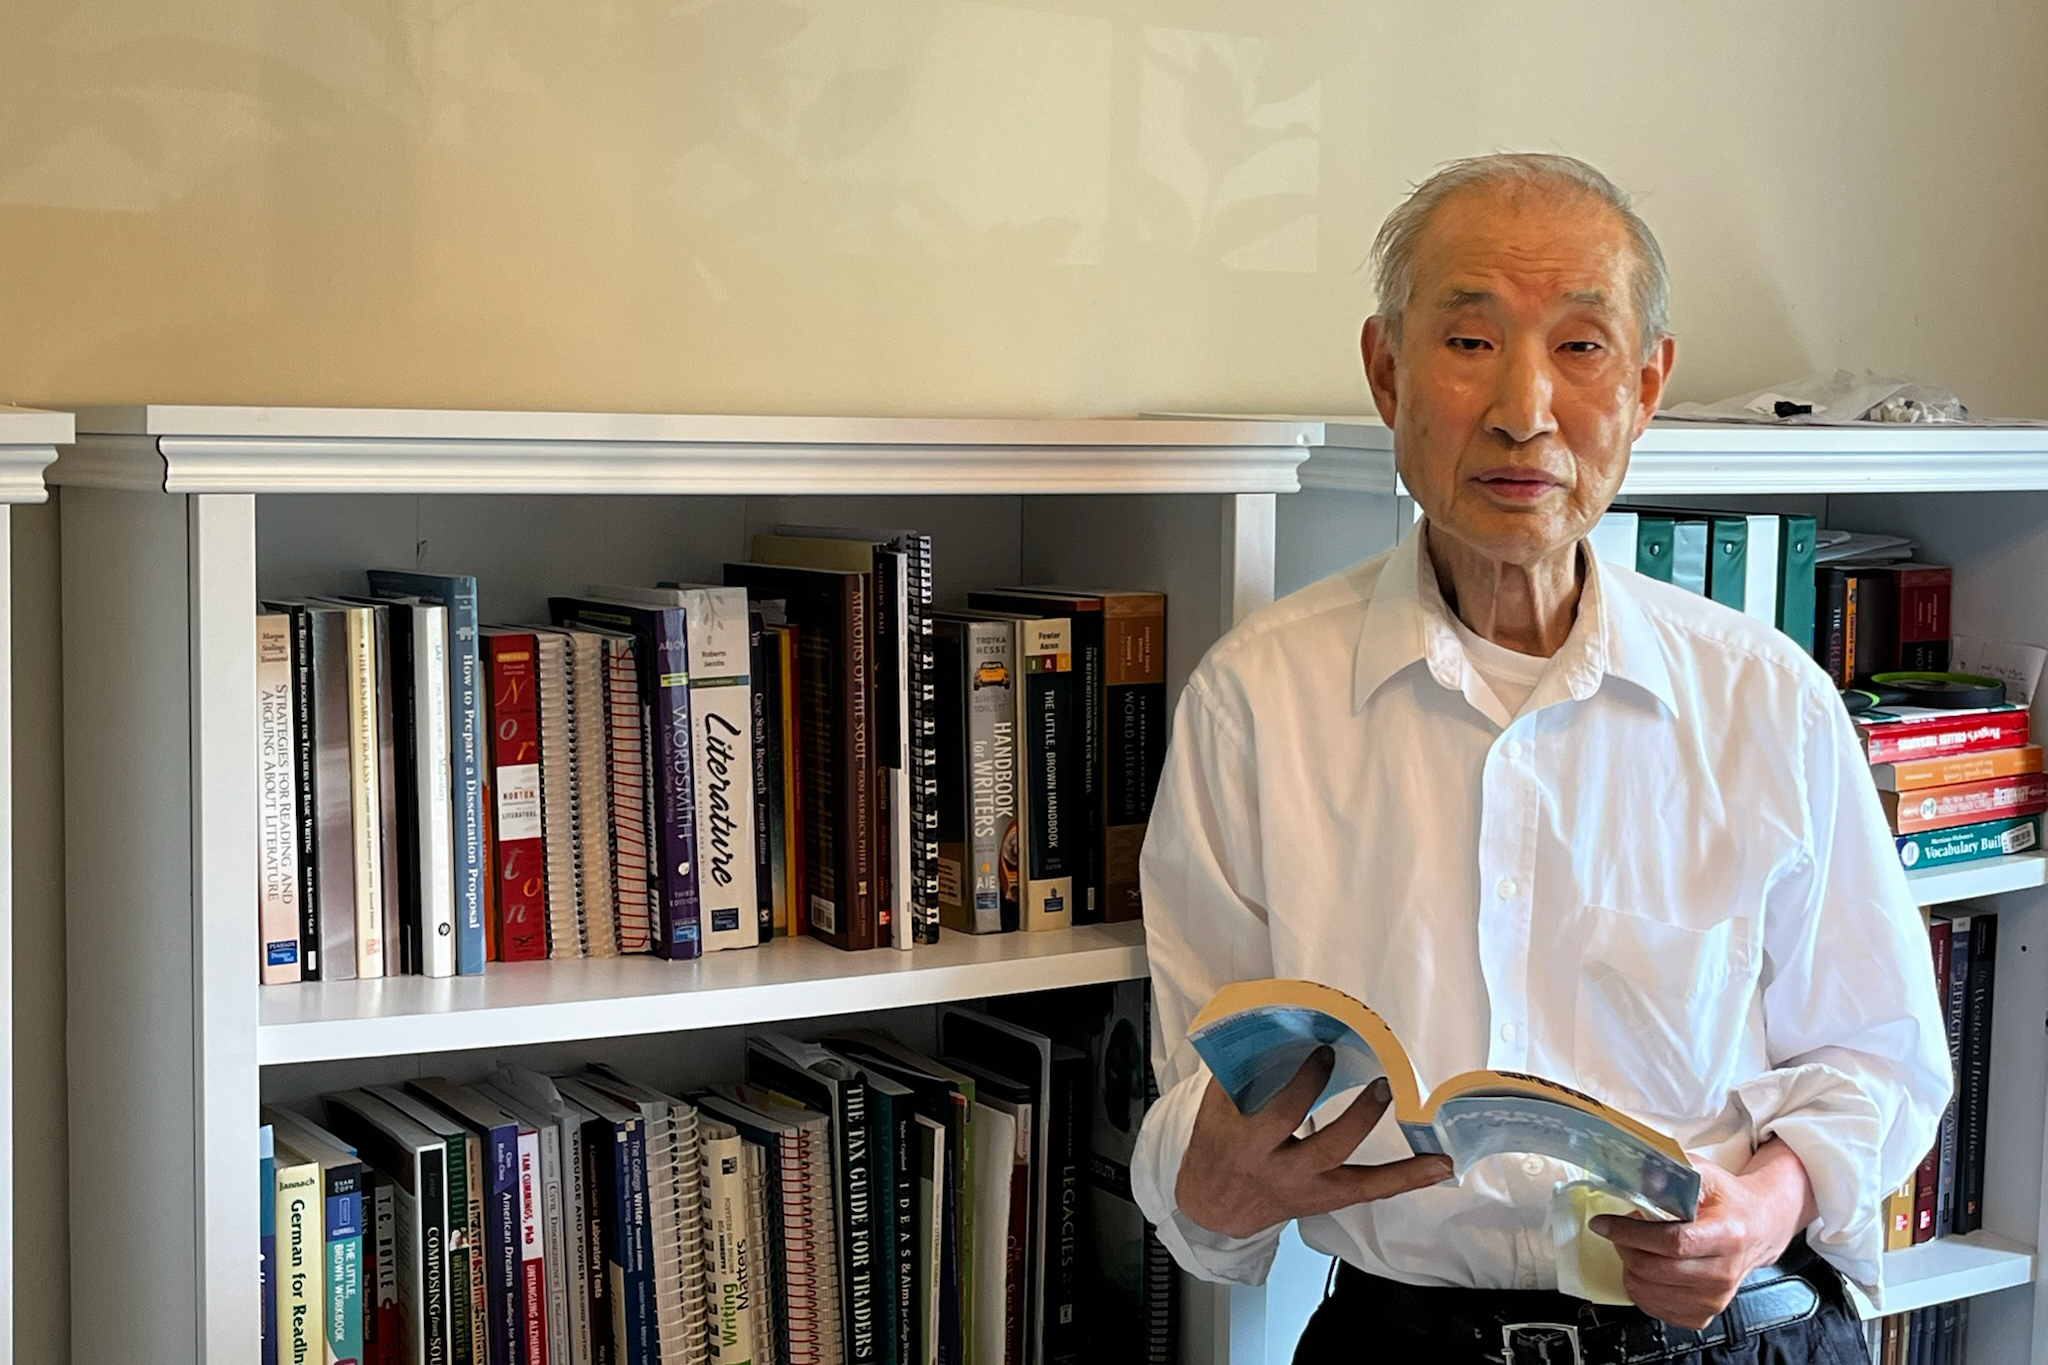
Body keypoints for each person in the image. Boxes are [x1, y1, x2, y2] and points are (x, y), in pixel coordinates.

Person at [1130, 153, 1951, 1364]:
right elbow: (1199, 1145)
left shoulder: (1763, 698)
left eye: (1580, 348)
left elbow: (1878, 1061)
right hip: (1400, 1343)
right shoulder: (1255, 701)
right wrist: (1209, 1192)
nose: (1524, 409)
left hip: (1730, 1338)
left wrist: (1761, 1210)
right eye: (1468, 343)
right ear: (1384, 369)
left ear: (1645, 384)